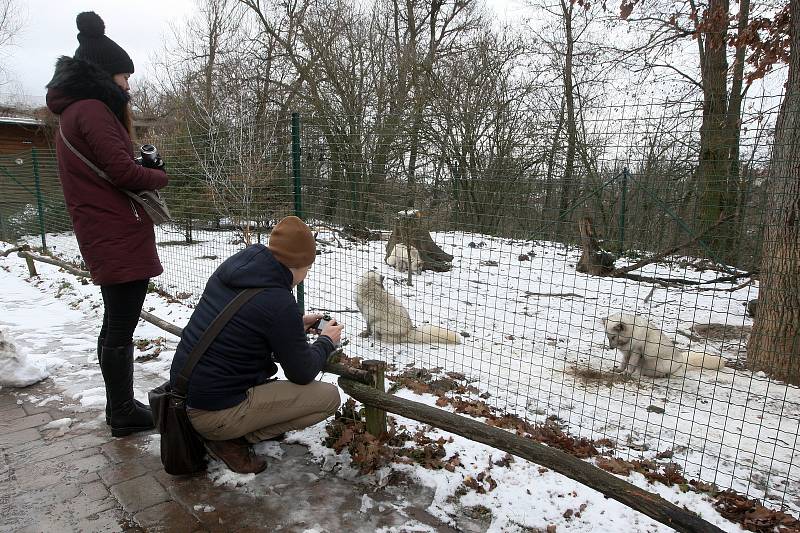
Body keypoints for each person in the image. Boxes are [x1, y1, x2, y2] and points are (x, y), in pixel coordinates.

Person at [45, 12, 168, 437]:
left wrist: (138, 164)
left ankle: (121, 406)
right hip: (115, 231)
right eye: (123, 76)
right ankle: (122, 412)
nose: (128, 86)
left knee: (115, 324)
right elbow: (124, 175)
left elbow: (111, 166)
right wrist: (157, 173)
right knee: (119, 327)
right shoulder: (94, 111)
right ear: (102, 75)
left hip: (104, 229)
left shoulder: (74, 113)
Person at [170, 216, 344, 474]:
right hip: (213, 413)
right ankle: (231, 440)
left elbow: (247, 321)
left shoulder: (236, 269)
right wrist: (326, 342)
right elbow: (302, 372)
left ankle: (231, 430)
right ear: (299, 264)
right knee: (328, 397)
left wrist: (293, 323)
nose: (306, 274)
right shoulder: (279, 300)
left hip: (185, 393)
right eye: (308, 267)